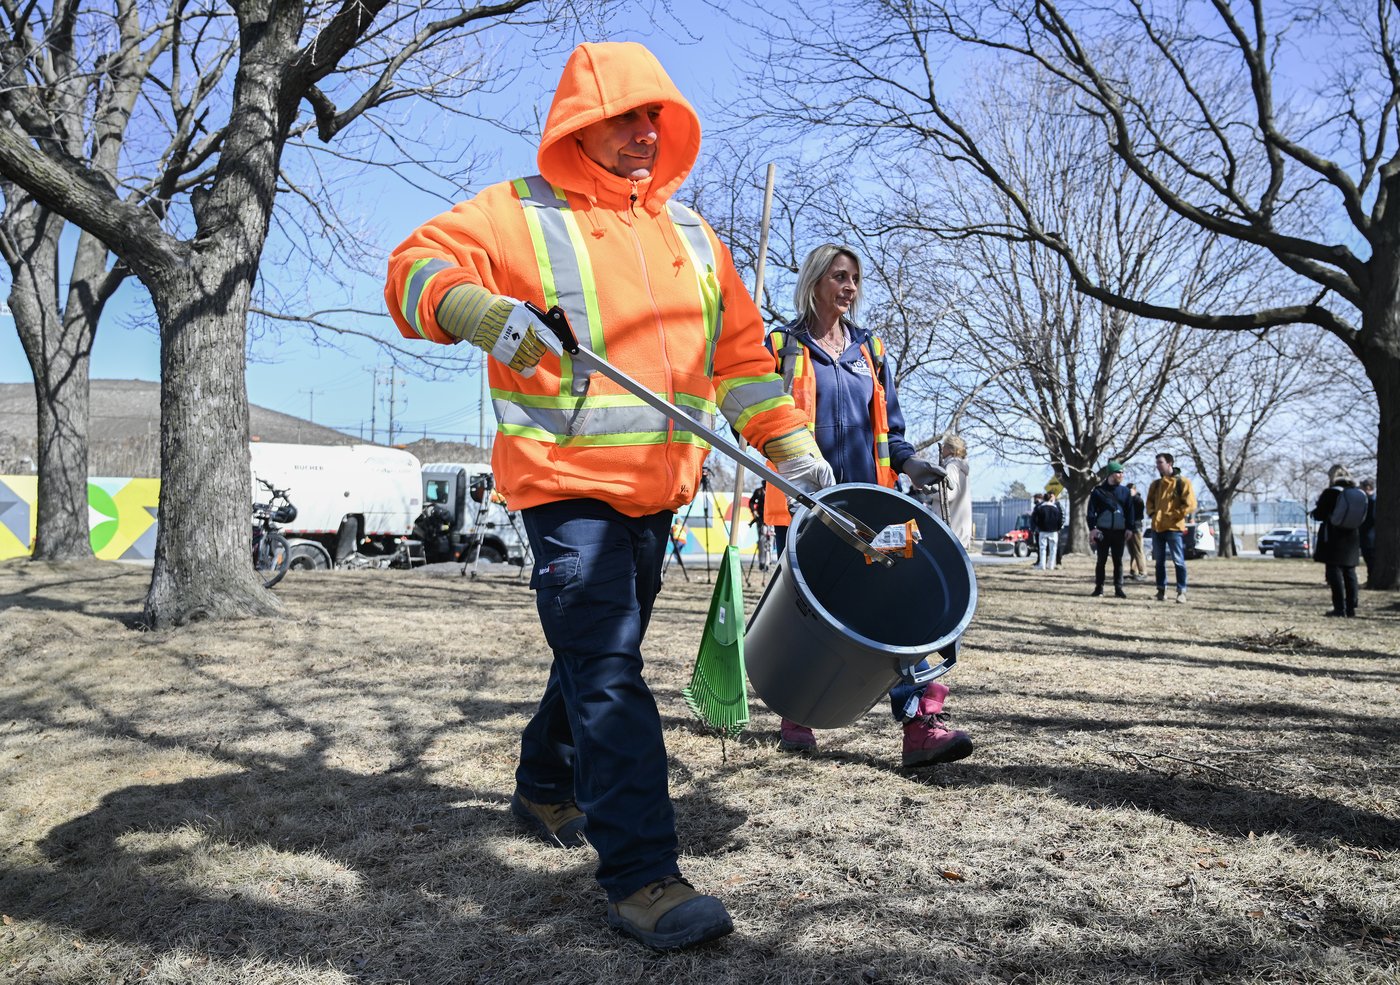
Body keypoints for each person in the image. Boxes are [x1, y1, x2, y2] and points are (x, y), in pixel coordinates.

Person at [384, 42, 834, 952]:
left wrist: (793, 448)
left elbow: (743, 363)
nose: (643, 133)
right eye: (624, 117)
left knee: (595, 656)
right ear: (580, 124)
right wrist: (475, 309)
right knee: (609, 671)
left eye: (654, 118)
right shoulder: (518, 214)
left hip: (656, 495)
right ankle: (643, 876)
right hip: (564, 490)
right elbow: (413, 268)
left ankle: (544, 785)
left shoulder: (694, 239)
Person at [760, 244, 971, 768]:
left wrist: (912, 463)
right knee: (810, 612)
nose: (849, 286)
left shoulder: (870, 349)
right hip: (808, 504)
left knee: (899, 604)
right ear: (814, 281)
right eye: (839, 276)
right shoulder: (782, 346)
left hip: (876, 506)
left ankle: (921, 725)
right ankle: (798, 713)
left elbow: (890, 429)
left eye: (854, 278)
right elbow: (760, 420)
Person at [1145, 452, 1197, 603]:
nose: (1157, 466)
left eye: (1160, 462)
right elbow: (1149, 502)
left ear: (1169, 463)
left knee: (1178, 561)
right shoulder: (1156, 484)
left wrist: (1175, 515)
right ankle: (1161, 590)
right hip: (1157, 528)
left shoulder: (1183, 483)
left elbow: (1190, 504)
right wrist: (1153, 514)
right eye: (1157, 463)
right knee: (1159, 562)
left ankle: (1181, 592)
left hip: (1174, 528)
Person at [1313, 465, 1363, 617]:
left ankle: (1339, 607)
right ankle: (1351, 607)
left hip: (1333, 536)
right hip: (1352, 536)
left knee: (1334, 572)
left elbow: (1319, 514)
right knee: (1350, 572)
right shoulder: (1356, 493)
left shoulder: (1330, 493)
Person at [1086, 461, 1133, 598]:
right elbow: (1091, 512)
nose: (1121, 475)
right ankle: (1099, 588)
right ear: (1111, 474)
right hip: (1103, 531)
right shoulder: (1098, 491)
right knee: (1101, 561)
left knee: (1118, 561)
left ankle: (1119, 588)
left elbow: (1130, 511)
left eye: (1122, 472)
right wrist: (1092, 529)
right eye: (1119, 472)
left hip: (1119, 531)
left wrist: (1130, 528)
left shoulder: (1125, 492)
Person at [940, 434, 973, 549]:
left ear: (950, 449)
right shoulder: (961, 468)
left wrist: (929, 490)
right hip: (958, 528)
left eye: (944, 446)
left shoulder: (952, 467)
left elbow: (948, 493)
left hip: (951, 529)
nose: (942, 448)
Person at [1032, 491, 1063, 571]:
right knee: (1053, 549)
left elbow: (1035, 519)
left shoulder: (1040, 508)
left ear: (1044, 499)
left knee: (1042, 548)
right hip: (1053, 531)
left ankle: (1042, 565)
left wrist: (1039, 526)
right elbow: (1059, 520)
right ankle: (1051, 565)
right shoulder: (1055, 508)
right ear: (1050, 499)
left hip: (1043, 530)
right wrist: (1058, 528)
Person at [1125, 482, 1147, 580]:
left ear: (1134, 490)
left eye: (1130, 491)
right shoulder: (1127, 500)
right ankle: (1134, 571)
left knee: (1138, 551)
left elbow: (1139, 514)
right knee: (1132, 551)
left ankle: (1143, 572)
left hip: (1136, 528)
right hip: (1128, 528)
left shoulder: (1138, 500)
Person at [1359, 478, 1376, 576]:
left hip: (1369, 536)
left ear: (1368, 488)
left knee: (1370, 559)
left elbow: (1371, 519)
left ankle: (1372, 577)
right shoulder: (1371, 500)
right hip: (1369, 536)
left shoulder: (1371, 501)